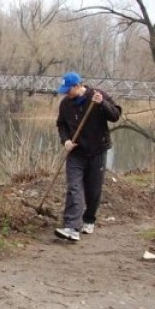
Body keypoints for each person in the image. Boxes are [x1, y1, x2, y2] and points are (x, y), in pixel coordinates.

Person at [54, 72, 122, 242]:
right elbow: (61, 124)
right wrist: (66, 141)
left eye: (68, 90)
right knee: (74, 187)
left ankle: (89, 219)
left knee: (93, 190)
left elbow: (115, 115)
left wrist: (102, 104)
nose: (65, 93)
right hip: (76, 152)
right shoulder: (65, 104)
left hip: (97, 150)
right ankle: (71, 226)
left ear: (78, 86)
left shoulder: (97, 96)